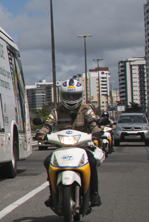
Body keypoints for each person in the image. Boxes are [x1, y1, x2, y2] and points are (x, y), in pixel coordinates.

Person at [35, 78, 104, 208]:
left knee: (92, 161)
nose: (71, 99)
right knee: (48, 161)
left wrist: (97, 132)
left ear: (80, 95)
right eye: (68, 96)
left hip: (82, 146)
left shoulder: (86, 109)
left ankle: (94, 193)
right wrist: (41, 133)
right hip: (62, 147)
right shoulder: (56, 111)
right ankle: (52, 194)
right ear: (62, 96)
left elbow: (93, 123)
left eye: (75, 96)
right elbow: (49, 124)